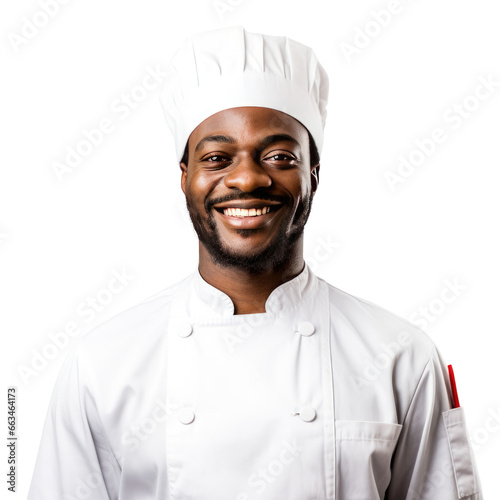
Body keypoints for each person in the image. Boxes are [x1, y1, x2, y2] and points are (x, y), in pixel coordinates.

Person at [27, 26, 483, 500]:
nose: (247, 178)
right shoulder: (103, 364)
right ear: (185, 177)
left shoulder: (400, 357)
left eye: (279, 155)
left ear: (313, 174)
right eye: (218, 157)